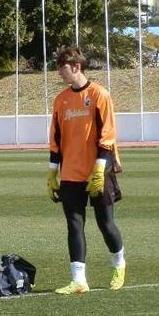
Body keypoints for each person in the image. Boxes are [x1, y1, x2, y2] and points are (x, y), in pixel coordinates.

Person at [47, 47, 126, 295]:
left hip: (98, 170)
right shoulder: (60, 100)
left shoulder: (99, 95)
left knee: (106, 223)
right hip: (70, 171)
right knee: (74, 224)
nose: (60, 73)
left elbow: (108, 134)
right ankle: (79, 280)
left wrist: (101, 168)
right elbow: (56, 137)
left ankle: (119, 264)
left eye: (62, 68)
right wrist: (52, 172)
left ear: (76, 67)